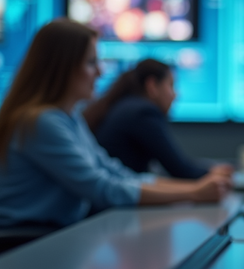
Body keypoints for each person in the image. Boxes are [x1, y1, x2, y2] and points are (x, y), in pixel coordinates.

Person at [0, 18, 231, 228]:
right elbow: (102, 188)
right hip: (27, 245)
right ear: (62, 68)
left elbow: (116, 173)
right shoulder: (40, 122)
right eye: (91, 63)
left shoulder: (68, 117)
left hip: (55, 237)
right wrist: (194, 192)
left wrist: (196, 189)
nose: (100, 72)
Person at [84, 59, 232, 180]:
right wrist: (217, 173)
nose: (176, 95)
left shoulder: (127, 106)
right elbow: (180, 170)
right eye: (171, 86)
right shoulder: (143, 112)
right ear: (152, 86)